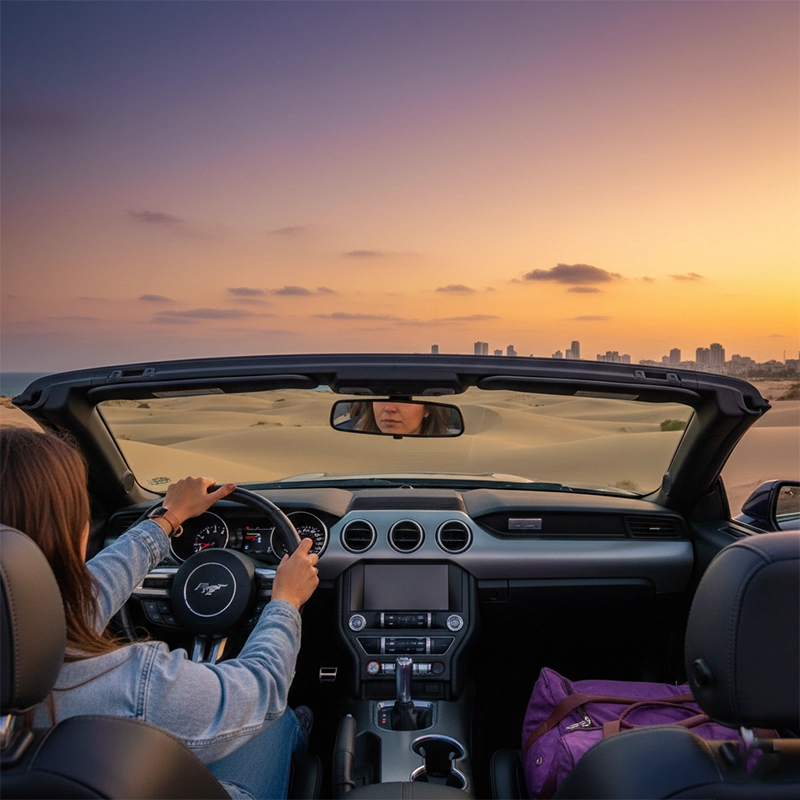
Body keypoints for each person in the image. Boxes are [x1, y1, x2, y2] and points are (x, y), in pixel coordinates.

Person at [0, 425, 319, 800]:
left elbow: (82, 596)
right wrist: (286, 601)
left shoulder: (23, 628)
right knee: (274, 721)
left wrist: (167, 520)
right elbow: (262, 686)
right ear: (71, 531)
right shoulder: (131, 686)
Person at [351, 400, 452, 435]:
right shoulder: (355, 453)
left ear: (427, 410)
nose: (389, 408)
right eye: (382, 397)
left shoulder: (450, 453)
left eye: (405, 400)